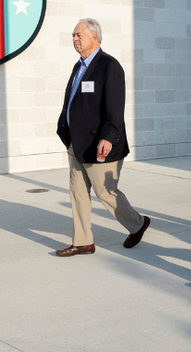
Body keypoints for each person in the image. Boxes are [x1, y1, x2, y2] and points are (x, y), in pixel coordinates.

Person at [55, 18, 150, 256]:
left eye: (79, 35)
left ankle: (138, 224)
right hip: (75, 143)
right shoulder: (78, 66)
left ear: (94, 37)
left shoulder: (109, 66)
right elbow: (72, 102)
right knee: (77, 192)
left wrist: (108, 138)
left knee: (105, 192)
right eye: (73, 36)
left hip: (100, 145)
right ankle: (82, 242)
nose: (74, 39)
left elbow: (115, 109)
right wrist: (63, 127)